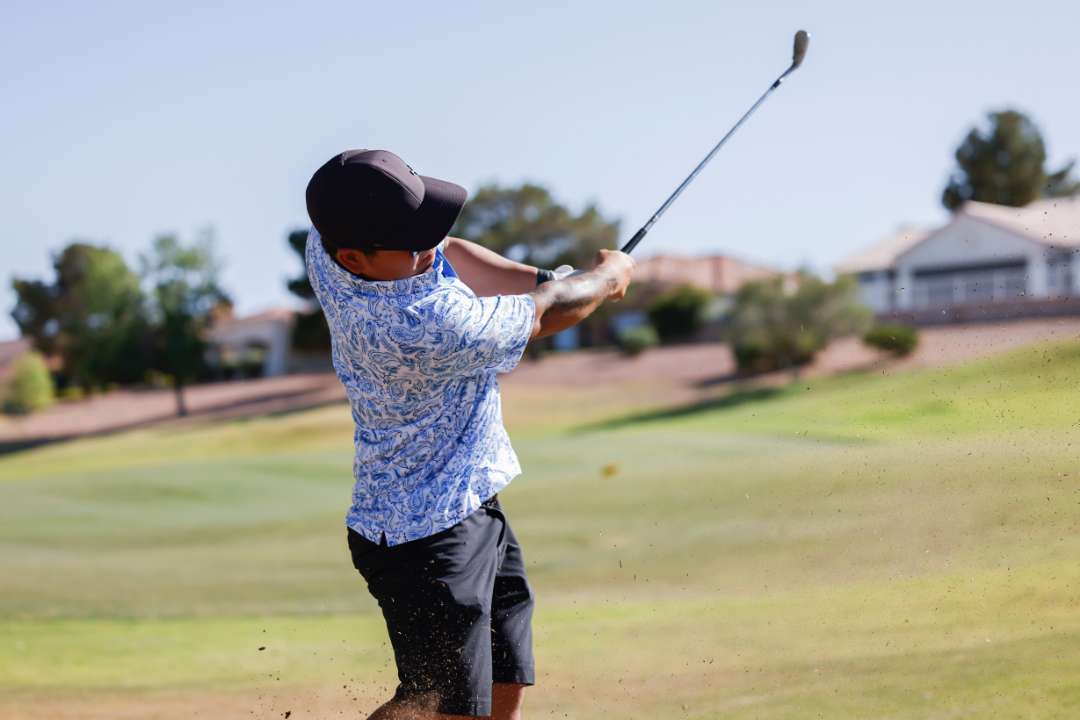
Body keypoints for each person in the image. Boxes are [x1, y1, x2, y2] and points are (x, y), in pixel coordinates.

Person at [304, 149, 634, 720]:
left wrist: (545, 277)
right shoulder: (418, 326)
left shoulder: (330, 244)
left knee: (505, 679)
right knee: (439, 710)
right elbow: (545, 315)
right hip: (422, 540)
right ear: (354, 256)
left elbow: (454, 254)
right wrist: (606, 278)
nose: (428, 248)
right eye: (411, 244)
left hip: (473, 505)